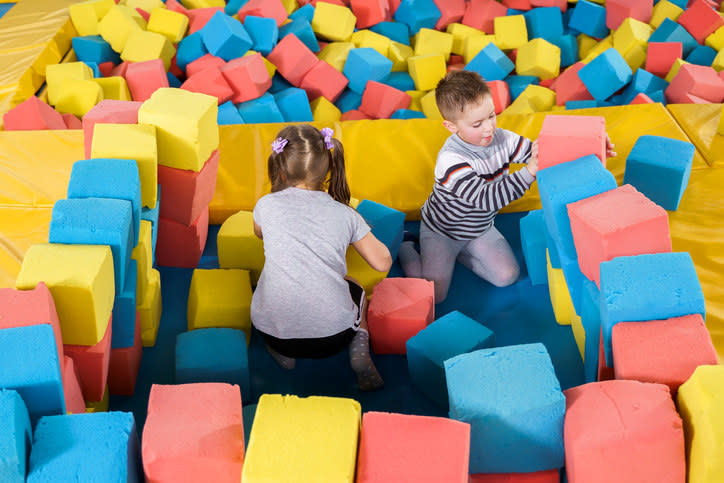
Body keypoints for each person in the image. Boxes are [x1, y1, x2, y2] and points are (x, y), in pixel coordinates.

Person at [399, 70, 615, 303]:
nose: (488, 128)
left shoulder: (502, 139)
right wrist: (529, 171)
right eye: (477, 124)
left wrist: (593, 147)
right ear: (452, 127)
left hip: (478, 229)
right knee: (434, 295)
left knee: (507, 276)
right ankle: (407, 247)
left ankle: (459, 255)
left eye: (491, 116)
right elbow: (487, 199)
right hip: (442, 232)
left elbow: (543, 151)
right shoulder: (451, 160)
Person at [250, 124, 392, 391]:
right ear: (329, 168)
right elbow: (382, 262)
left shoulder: (264, 205)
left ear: (279, 167)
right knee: (355, 286)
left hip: (275, 334)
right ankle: (359, 349)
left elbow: (259, 234)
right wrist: (356, 224)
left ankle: (285, 356)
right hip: (333, 338)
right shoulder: (345, 214)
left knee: (263, 290)